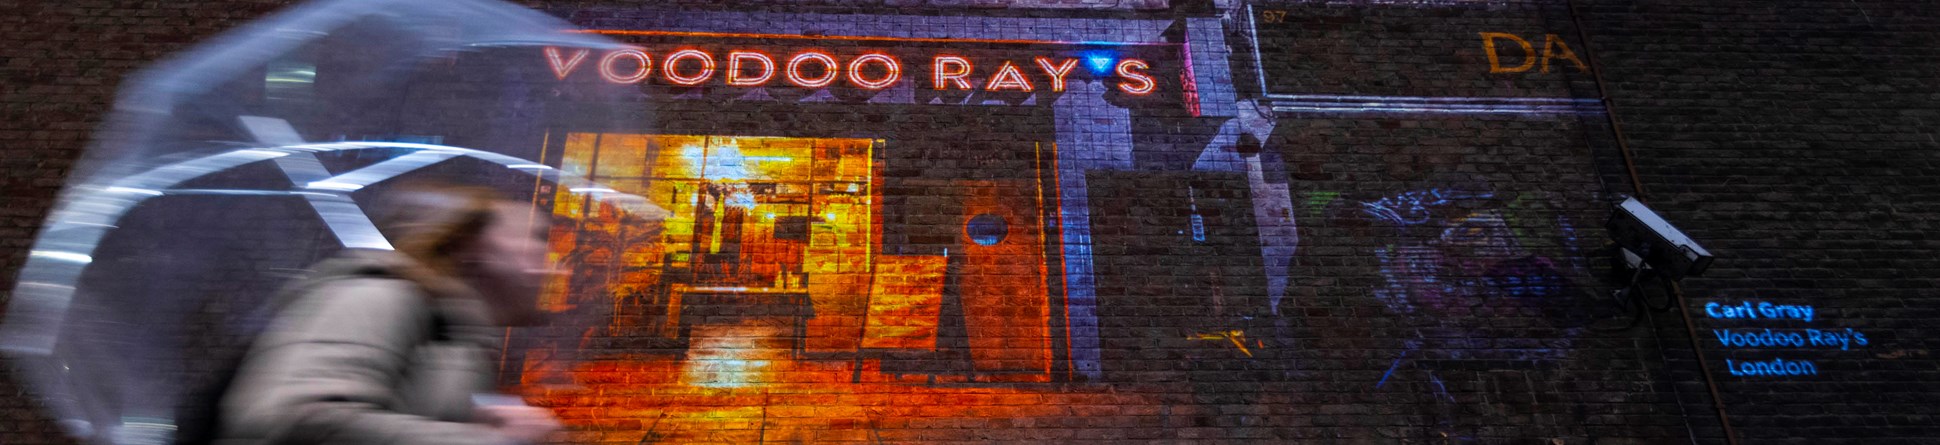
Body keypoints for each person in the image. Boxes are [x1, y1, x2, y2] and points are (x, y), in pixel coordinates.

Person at [215, 184, 561, 444]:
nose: (553, 263)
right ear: (474, 245)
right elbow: (291, 417)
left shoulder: (453, 337)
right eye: (536, 237)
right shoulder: (380, 295)